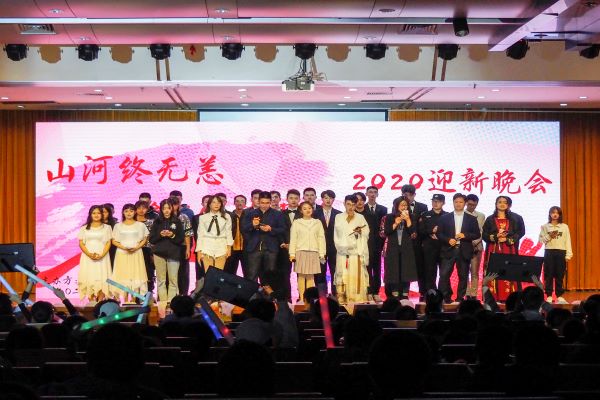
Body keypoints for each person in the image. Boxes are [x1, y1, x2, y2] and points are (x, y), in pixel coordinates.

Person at [437, 193, 481, 303]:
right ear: (453, 203)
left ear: (465, 203)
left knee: (463, 276)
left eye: (461, 202)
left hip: (464, 250)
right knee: (444, 275)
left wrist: (465, 235)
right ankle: (446, 297)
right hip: (448, 249)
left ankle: (460, 299)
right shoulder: (444, 218)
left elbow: (477, 234)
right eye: (456, 202)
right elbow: (439, 233)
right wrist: (448, 240)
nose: (458, 204)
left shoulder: (471, 218)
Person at [242, 191, 286, 293]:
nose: (264, 205)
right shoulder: (250, 213)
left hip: (271, 248)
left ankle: (270, 298)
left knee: (270, 275)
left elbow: (282, 229)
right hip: (254, 248)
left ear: (270, 202)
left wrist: (271, 229)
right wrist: (253, 225)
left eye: (267, 203)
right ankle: (251, 297)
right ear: (258, 201)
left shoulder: (277, 214)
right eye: (262, 202)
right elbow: (244, 229)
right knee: (252, 274)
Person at [482, 196, 522, 301]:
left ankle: (509, 297)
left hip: (509, 248)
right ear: (496, 204)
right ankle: (492, 297)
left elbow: (520, 232)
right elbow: (484, 235)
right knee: (493, 271)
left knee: (509, 270)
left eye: (505, 202)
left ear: (508, 205)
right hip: (494, 248)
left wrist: (508, 239)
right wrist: (495, 237)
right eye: (500, 202)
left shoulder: (514, 219)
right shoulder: (490, 219)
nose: (502, 204)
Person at [333, 194, 370, 304]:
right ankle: (341, 296)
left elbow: (366, 232)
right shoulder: (338, 217)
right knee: (341, 273)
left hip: (356, 252)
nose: (351, 207)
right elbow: (337, 234)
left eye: (353, 205)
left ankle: (356, 297)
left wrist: (360, 232)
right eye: (348, 204)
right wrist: (342, 246)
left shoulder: (360, 217)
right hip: (342, 252)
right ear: (344, 204)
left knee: (355, 275)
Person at [289, 201, 326, 302]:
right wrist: (292, 254)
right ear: (301, 211)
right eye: (304, 209)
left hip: (314, 251)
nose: (307, 210)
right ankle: (301, 298)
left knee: (311, 277)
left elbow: (321, 238)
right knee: (301, 276)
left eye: (309, 208)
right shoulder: (297, 222)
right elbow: (293, 239)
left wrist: (322, 253)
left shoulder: (317, 222)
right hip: (300, 251)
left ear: (312, 209)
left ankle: (309, 300)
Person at [111, 203, 149, 302]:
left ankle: (133, 299)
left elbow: (145, 239)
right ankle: (124, 299)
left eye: (131, 211)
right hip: (122, 253)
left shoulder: (140, 225)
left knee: (135, 274)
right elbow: (114, 241)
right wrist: (124, 247)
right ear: (123, 212)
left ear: (135, 212)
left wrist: (137, 247)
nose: (129, 213)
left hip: (136, 253)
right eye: (126, 211)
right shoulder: (118, 226)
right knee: (123, 275)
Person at [149, 198, 184, 303]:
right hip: (159, 253)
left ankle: (171, 302)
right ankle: (163, 302)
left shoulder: (177, 221)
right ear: (161, 209)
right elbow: (152, 239)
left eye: (168, 208)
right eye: (164, 208)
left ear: (172, 209)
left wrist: (172, 235)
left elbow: (180, 239)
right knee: (161, 280)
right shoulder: (157, 221)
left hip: (174, 253)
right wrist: (160, 235)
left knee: (173, 279)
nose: (166, 210)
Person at [383, 196, 417, 299]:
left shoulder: (412, 216)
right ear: (397, 206)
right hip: (393, 248)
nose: (404, 207)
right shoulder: (390, 217)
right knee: (394, 270)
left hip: (406, 248)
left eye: (405, 205)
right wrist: (395, 223)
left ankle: (405, 294)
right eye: (402, 205)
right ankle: (395, 293)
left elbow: (413, 232)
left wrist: (407, 220)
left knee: (406, 270)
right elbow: (387, 232)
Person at [77, 205, 113, 304]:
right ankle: (91, 303)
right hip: (88, 257)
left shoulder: (107, 227)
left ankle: (100, 302)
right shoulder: (84, 228)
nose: (96, 215)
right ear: (90, 215)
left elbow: (108, 243)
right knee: (89, 277)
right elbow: (81, 243)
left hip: (102, 257)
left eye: (98, 213)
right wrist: (89, 254)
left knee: (102, 277)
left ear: (102, 214)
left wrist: (102, 255)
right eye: (94, 213)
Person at [399, 184, 428, 301]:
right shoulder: (398, 206)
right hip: (405, 242)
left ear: (414, 195)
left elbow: (424, 224)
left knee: (421, 268)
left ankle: (423, 292)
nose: (408, 197)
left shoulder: (423, 207)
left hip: (419, 243)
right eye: (405, 195)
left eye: (410, 195)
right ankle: (404, 292)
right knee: (405, 268)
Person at [539, 206, 573, 304]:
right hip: (549, 252)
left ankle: (559, 295)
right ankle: (549, 295)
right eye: (553, 213)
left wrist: (568, 255)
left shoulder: (564, 226)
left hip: (561, 252)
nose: (555, 215)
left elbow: (568, 240)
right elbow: (541, 240)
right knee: (548, 274)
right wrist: (549, 236)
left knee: (559, 274)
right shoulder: (545, 226)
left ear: (559, 215)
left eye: (557, 213)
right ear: (550, 214)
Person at [360, 186, 387, 302]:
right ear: (366, 194)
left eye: (375, 192)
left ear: (377, 194)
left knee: (377, 269)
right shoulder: (362, 209)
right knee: (367, 268)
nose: (372, 194)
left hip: (378, 244)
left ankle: (376, 292)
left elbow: (383, 228)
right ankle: (368, 291)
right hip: (365, 243)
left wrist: (383, 245)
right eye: (370, 192)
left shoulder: (383, 209)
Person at [313, 190, 342, 295]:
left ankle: (335, 294)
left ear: (333, 199)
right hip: (320, 248)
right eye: (326, 198)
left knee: (335, 271)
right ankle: (322, 295)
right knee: (320, 272)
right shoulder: (315, 213)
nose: (328, 200)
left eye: (330, 198)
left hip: (335, 248)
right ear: (322, 199)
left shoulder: (339, 214)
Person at [419, 194, 448, 292]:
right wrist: (431, 231)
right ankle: (431, 293)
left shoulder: (447, 215)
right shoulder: (425, 215)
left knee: (444, 273)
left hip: (444, 248)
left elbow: (450, 231)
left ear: (443, 203)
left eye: (438, 201)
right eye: (434, 201)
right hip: (429, 248)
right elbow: (421, 231)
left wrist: (440, 234)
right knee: (430, 272)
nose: (435, 203)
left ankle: (443, 293)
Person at [196, 195, 233, 271]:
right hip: (206, 247)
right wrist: (199, 251)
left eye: (219, 202)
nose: (216, 204)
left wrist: (229, 248)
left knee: (219, 273)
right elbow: (200, 235)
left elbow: (229, 233)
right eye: (214, 202)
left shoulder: (227, 216)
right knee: (208, 273)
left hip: (221, 247)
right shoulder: (203, 217)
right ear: (209, 204)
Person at [280, 189, 302, 301]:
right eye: (291, 198)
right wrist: (284, 243)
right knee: (285, 274)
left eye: (296, 198)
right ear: (287, 199)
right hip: (285, 248)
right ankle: (287, 298)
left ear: (299, 199)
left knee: (301, 274)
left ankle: (302, 297)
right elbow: (279, 231)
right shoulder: (280, 214)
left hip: (300, 248)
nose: (293, 200)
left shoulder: (304, 213)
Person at [170, 196, 193, 295]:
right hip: (167, 247)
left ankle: (183, 294)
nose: (173, 207)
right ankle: (169, 295)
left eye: (175, 204)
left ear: (179, 205)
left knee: (183, 271)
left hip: (182, 247)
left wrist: (188, 248)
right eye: (170, 205)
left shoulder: (184, 217)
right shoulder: (163, 217)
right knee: (169, 272)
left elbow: (188, 234)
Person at [465, 194, 486, 299]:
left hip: (477, 246)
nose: (471, 206)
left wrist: (476, 241)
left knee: (474, 271)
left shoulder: (481, 216)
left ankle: (473, 294)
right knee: (464, 271)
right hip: (464, 246)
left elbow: (483, 231)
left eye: (474, 205)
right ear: (466, 203)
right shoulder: (461, 214)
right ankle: (466, 293)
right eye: (469, 204)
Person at [135, 200, 156, 296]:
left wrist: (153, 253)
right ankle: (136, 295)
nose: (141, 210)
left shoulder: (151, 222)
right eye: (138, 208)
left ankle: (148, 294)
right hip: (134, 250)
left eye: (143, 208)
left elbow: (154, 238)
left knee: (148, 272)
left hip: (148, 250)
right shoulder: (132, 222)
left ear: (147, 209)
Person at [224, 194, 248, 277]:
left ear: (245, 204)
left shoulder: (249, 216)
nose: (239, 203)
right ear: (234, 203)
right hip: (232, 249)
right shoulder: (229, 216)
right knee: (230, 273)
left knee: (248, 274)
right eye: (237, 201)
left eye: (242, 201)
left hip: (246, 249)